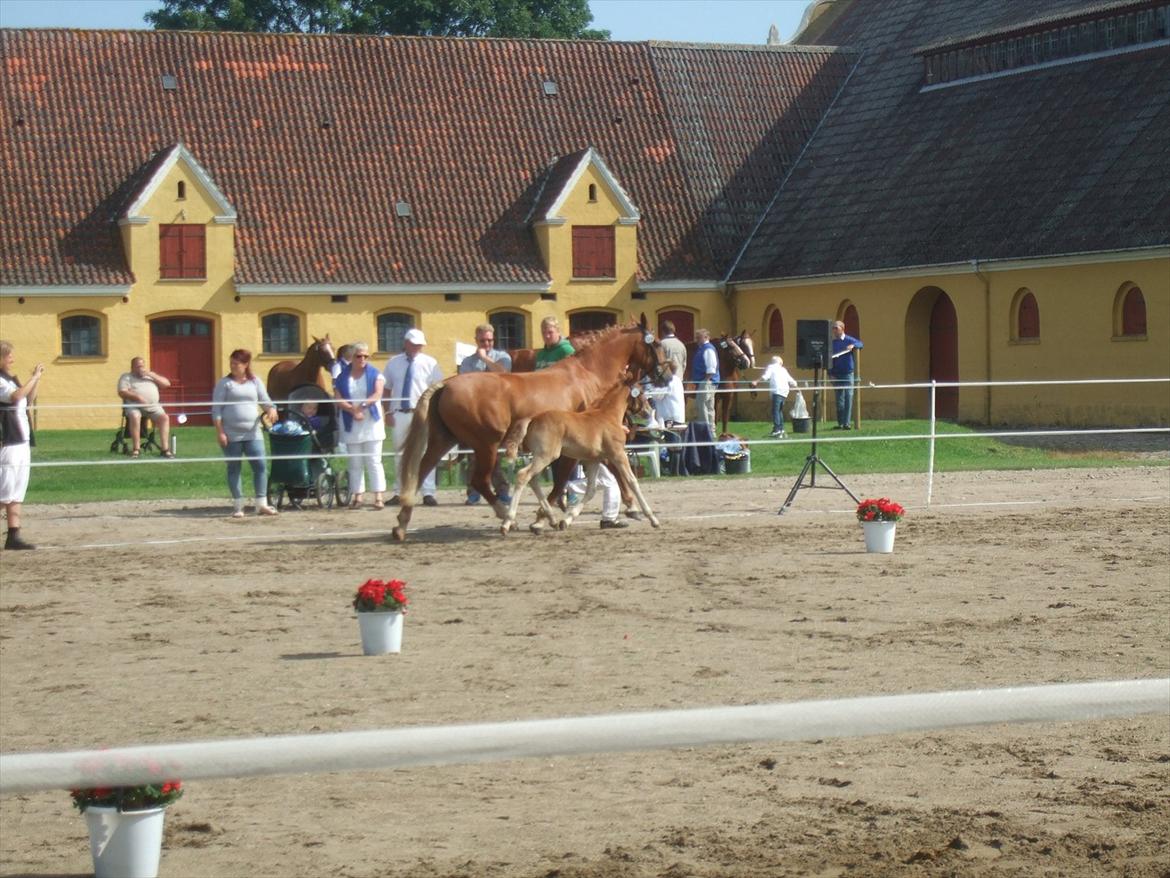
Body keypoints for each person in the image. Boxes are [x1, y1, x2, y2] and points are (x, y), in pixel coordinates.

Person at [534, 317, 628, 530]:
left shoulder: (566, 351)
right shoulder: (542, 354)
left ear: (558, 331)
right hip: (573, 426)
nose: (547, 335)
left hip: (573, 420)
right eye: (544, 331)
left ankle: (570, 502)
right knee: (602, 476)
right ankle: (580, 503)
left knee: (599, 475)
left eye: (550, 331)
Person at [212, 349, 279, 518]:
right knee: (234, 468)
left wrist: (271, 409)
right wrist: (220, 432)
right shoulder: (224, 384)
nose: (233, 366)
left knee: (261, 466)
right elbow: (217, 410)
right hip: (231, 433)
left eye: (237, 364)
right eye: (231, 363)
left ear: (246, 364)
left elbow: (265, 400)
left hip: (253, 433)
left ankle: (261, 504)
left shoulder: (255, 382)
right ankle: (238, 505)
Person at [384, 328, 443, 506]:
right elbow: (387, 388)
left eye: (420, 345)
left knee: (425, 452)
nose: (418, 348)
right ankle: (399, 490)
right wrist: (387, 412)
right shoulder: (393, 362)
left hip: (422, 413)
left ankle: (428, 491)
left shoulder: (430, 362)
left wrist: (433, 413)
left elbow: (437, 388)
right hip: (400, 413)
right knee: (400, 453)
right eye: (415, 344)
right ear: (406, 343)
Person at [458, 323, 512, 505]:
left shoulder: (503, 357)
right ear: (476, 340)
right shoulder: (467, 362)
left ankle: (502, 490)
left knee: (495, 455)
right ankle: (473, 492)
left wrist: (485, 359)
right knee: (474, 456)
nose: (486, 344)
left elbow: (503, 374)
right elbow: (466, 386)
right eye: (482, 341)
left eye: (489, 340)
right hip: (475, 414)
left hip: (498, 413)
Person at [0, 340, 44, 550]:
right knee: (4, 490)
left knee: (17, 490)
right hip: (9, 439)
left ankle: (13, 535)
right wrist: (32, 378)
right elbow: (16, 396)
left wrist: (36, 380)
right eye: (9, 355)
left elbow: (27, 398)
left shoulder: (10, 378)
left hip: (22, 439)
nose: (12, 359)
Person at [333, 342, 386, 509]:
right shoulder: (342, 376)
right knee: (354, 462)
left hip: (371, 421)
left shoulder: (375, 374)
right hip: (351, 422)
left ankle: (378, 496)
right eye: (358, 356)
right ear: (352, 357)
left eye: (365, 356)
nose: (362, 359)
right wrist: (351, 410)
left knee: (374, 460)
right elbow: (338, 397)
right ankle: (358, 496)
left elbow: (377, 393)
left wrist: (361, 407)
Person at [116, 357, 173, 458]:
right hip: (135, 406)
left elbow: (167, 384)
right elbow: (122, 392)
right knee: (135, 416)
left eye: (142, 366)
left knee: (164, 418)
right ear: (132, 367)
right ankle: (136, 449)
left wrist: (150, 375)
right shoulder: (126, 377)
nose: (140, 368)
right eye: (138, 366)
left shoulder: (150, 376)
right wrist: (137, 397)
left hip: (153, 406)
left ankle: (165, 449)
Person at [752, 355, 798, 438]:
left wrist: (756, 381)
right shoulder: (783, 369)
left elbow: (766, 376)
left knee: (775, 411)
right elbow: (792, 381)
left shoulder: (771, 367)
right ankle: (781, 429)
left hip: (777, 391)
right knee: (779, 411)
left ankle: (777, 430)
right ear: (780, 363)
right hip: (784, 392)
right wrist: (796, 387)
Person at [829, 320, 863, 430]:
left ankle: (847, 423)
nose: (834, 330)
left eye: (836, 328)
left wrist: (853, 345)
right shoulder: (833, 343)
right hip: (836, 374)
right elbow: (830, 359)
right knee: (839, 400)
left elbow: (860, 344)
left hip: (848, 373)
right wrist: (830, 374)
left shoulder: (849, 339)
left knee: (849, 397)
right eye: (833, 328)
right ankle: (840, 423)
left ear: (842, 329)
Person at [655, 320, 687, 426]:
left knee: (665, 407)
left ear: (663, 331)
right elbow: (684, 363)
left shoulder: (662, 344)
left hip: (665, 379)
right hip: (679, 379)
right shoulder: (681, 344)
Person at [690, 328, 719, 429]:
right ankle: (710, 430)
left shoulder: (708, 349)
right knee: (708, 407)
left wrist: (705, 381)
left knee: (703, 408)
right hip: (706, 381)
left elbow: (711, 368)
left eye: (699, 337)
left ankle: (705, 430)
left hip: (707, 381)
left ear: (706, 337)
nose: (697, 339)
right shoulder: (703, 349)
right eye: (696, 337)